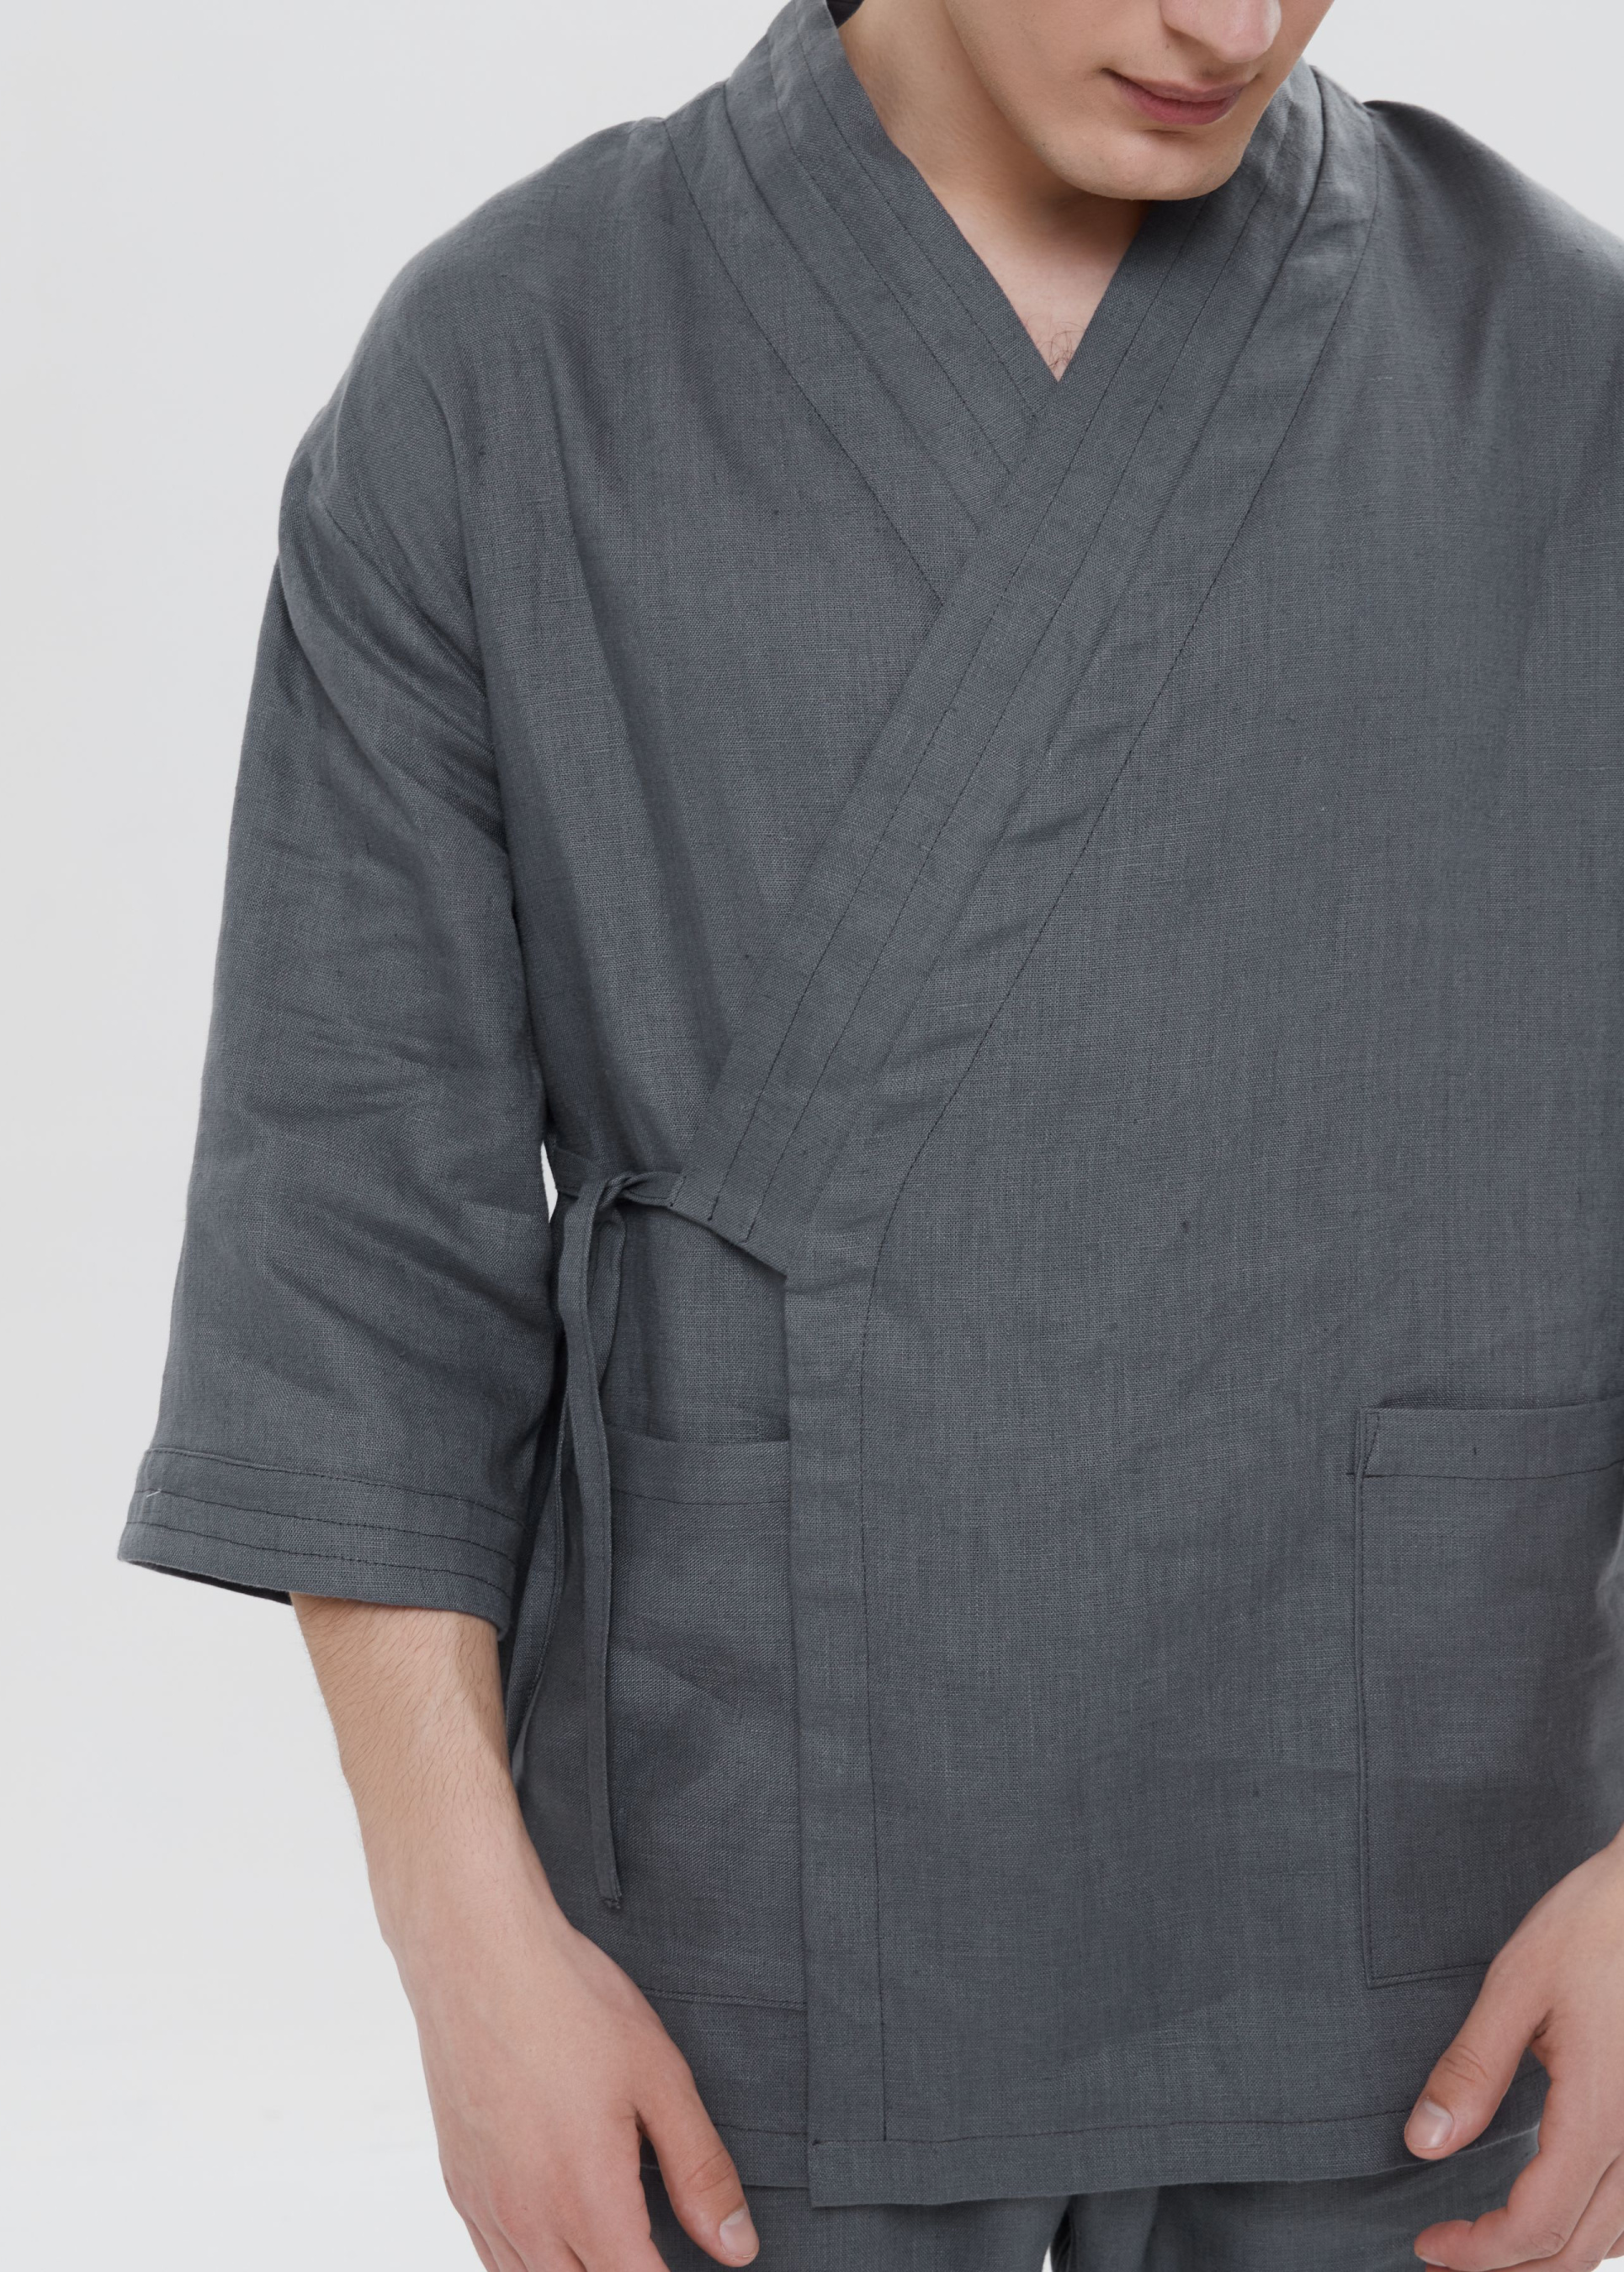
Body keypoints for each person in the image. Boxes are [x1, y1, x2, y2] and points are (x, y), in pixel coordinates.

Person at [118, 0, 1624, 2263]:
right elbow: (352, 1240)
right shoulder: (515, 371)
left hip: (1432, 1899)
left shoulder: (1568, 377)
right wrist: (463, 1946)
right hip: (760, 1898)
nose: (1228, 22)